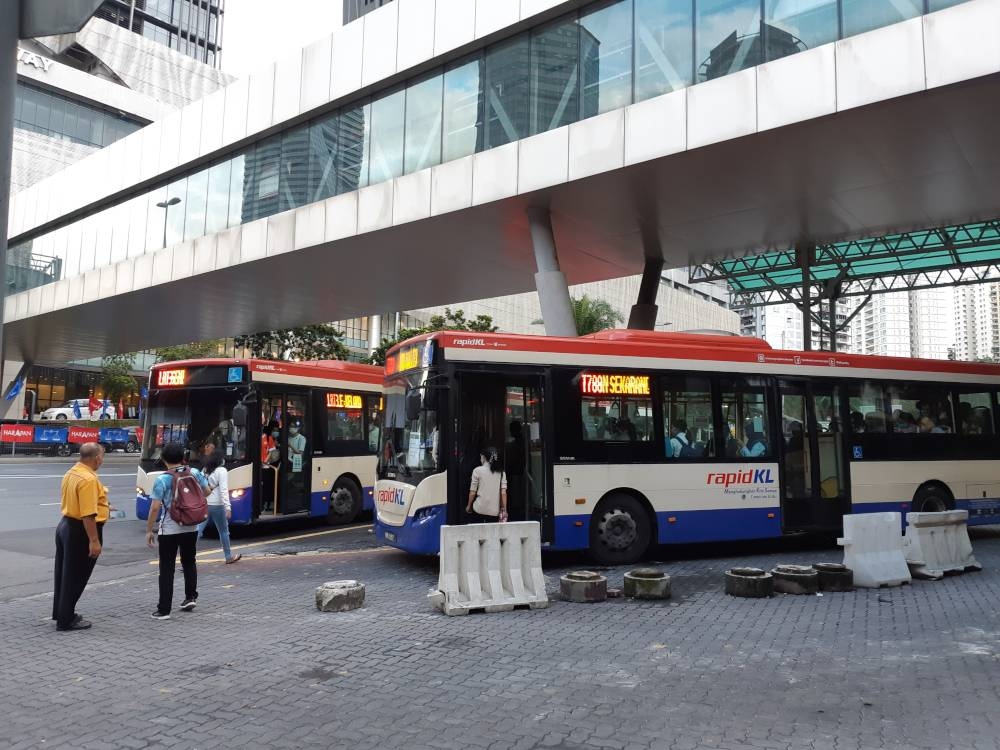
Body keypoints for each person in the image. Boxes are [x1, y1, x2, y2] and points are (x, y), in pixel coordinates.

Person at [145, 442, 209, 620]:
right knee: (189, 561)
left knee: (167, 568)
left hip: (170, 528)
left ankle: (164, 609)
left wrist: (149, 530)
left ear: (164, 459)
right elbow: (208, 491)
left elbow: (155, 507)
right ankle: (190, 597)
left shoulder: (162, 479)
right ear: (183, 457)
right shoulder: (195, 473)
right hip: (192, 525)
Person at [52, 443, 108, 631]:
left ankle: (61, 612)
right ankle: (66, 620)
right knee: (76, 575)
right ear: (96, 458)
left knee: (64, 573)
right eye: (102, 457)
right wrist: (94, 540)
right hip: (81, 530)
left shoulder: (72, 472)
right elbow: (87, 514)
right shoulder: (88, 479)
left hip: (66, 525)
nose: (102, 460)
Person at [196, 439, 241, 564]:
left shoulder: (205, 469)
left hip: (204, 504)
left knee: (198, 531)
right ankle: (228, 557)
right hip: (218, 506)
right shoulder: (222, 471)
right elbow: (224, 490)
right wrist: (228, 507)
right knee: (223, 531)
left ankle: (188, 558)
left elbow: (199, 484)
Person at [466, 446, 507, 522]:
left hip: (478, 509)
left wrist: (469, 506)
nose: (480, 459)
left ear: (484, 457)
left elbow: (472, 492)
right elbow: (503, 493)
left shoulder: (477, 470)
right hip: (494, 512)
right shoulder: (501, 473)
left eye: (481, 456)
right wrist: (504, 509)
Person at [505, 421, 527, 522]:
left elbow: (514, 458)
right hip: (517, 472)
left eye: (511, 429)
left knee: (516, 498)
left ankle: (516, 514)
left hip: (516, 473)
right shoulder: (520, 440)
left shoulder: (517, 443)